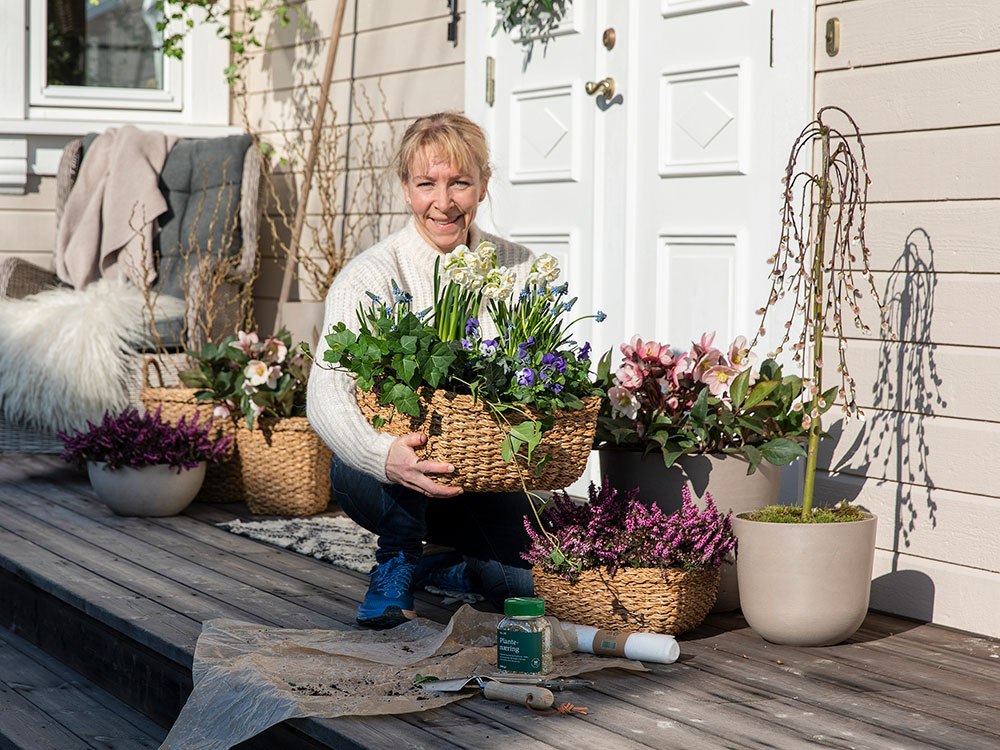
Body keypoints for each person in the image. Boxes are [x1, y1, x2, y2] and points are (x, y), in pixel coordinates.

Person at [307, 113, 537, 629]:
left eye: (460, 182)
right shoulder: (371, 275)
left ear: (483, 185)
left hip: (482, 475)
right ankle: (399, 556)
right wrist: (381, 454)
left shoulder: (517, 266)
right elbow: (324, 392)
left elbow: (540, 380)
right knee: (379, 447)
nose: (444, 200)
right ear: (407, 189)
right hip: (386, 478)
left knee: (520, 589)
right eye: (426, 183)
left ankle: (446, 566)